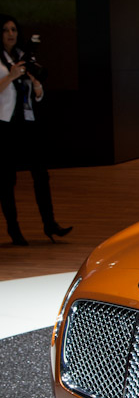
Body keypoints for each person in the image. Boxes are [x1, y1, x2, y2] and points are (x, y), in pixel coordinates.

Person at [0, 14, 70, 245]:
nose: (11, 34)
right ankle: (14, 230)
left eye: (14, 30)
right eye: (6, 30)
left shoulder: (24, 56)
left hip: (28, 123)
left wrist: (37, 85)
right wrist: (10, 77)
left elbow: (36, 96)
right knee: (6, 181)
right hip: (5, 125)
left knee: (41, 175)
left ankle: (50, 224)